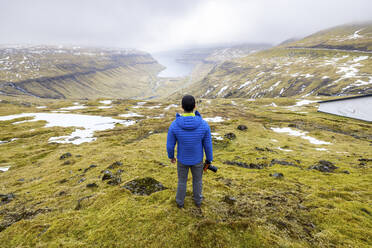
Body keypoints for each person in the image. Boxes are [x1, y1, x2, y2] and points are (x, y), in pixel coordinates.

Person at [166, 95, 213, 208]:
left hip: (182, 160)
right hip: (197, 160)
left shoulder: (174, 125)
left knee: (182, 181)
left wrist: (171, 157)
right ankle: (198, 201)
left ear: (182, 107)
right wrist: (209, 159)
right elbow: (208, 145)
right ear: (195, 106)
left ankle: (180, 203)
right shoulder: (204, 125)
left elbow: (170, 145)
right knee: (197, 181)